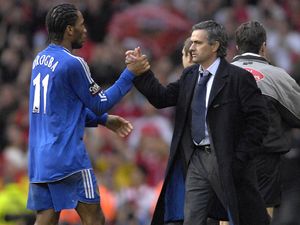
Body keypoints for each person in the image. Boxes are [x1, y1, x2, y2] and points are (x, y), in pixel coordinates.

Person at [127, 20, 270, 225]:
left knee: (242, 216)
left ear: (215, 46)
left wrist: (239, 158)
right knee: (192, 219)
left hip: (226, 160)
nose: (191, 47)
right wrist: (141, 73)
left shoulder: (239, 78)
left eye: (197, 43)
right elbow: (162, 98)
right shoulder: (190, 75)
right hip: (195, 159)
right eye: (192, 42)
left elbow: (259, 121)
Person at [26, 3, 149, 225]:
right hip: (67, 158)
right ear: (69, 30)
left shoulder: (39, 60)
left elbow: (59, 111)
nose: (86, 30)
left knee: (46, 218)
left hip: (39, 157)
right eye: (81, 25)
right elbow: (100, 103)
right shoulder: (73, 63)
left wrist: (104, 121)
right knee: (95, 219)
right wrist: (130, 74)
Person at [232, 20, 300, 220]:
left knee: (228, 207)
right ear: (263, 46)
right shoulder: (278, 76)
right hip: (265, 155)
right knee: (264, 208)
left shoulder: (220, 74)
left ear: (237, 46)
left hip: (228, 152)